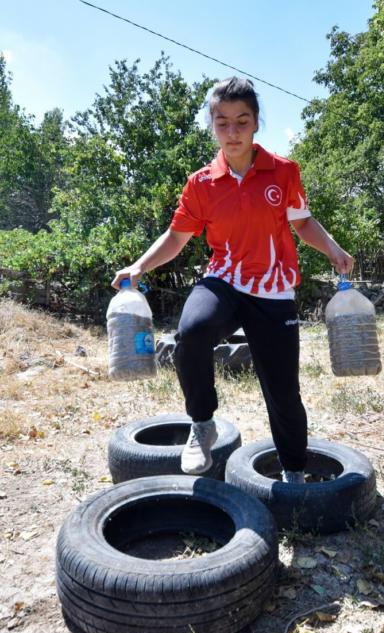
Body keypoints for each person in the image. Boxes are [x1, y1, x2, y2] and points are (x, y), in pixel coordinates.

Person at [112, 77, 353, 483]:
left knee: (283, 391)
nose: (233, 131)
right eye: (222, 122)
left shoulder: (283, 172)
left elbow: (303, 222)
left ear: (256, 123)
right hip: (223, 281)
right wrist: (139, 266)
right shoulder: (201, 183)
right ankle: (202, 423)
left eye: (242, 121)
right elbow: (176, 237)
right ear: (212, 126)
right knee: (191, 331)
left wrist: (333, 249)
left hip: (273, 290)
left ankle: (294, 474)